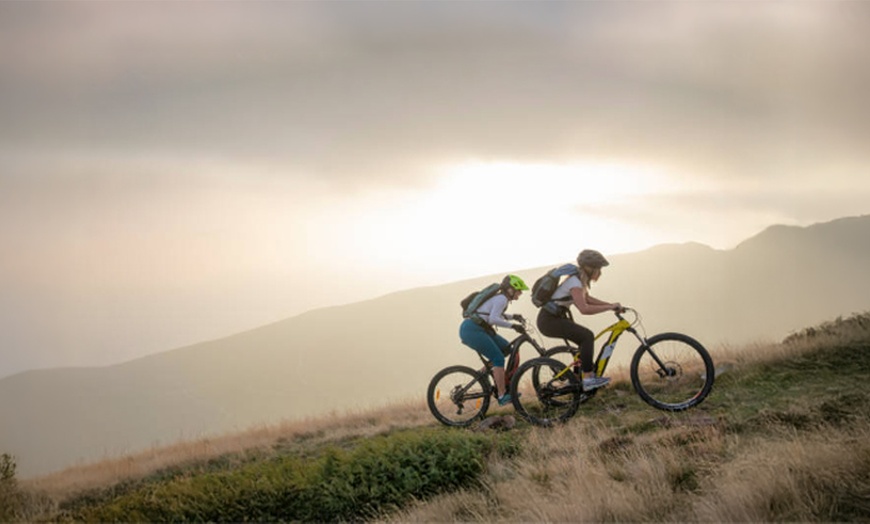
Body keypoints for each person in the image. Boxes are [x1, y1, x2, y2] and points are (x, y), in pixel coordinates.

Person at [536, 249, 622, 390]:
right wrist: (608, 307)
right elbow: (584, 309)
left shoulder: (578, 281)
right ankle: (588, 379)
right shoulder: (575, 282)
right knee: (587, 336)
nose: (600, 272)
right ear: (589, 269)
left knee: (582, 345)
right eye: (598, 269)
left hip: (556, 318)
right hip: (549, 321)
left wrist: (611, 305)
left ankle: (576, 380)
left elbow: (587, 299)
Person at [459, 274, 529, 406]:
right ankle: (502, 395)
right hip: (472, 330)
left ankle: (482, 374)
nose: (520, 294)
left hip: (478, 329)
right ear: (510, 289)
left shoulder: (501, 298)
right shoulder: (501, 298)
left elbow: (493, 314)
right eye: (519, 290)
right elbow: (493, 319)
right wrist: (513, 326)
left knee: (507, 349)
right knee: (498, 358)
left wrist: (513, 317)